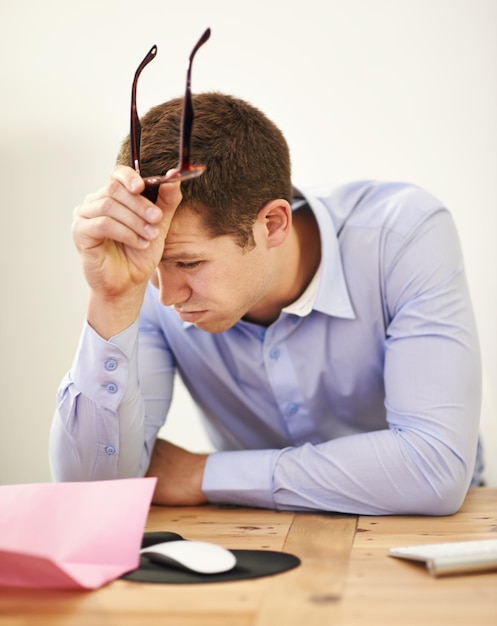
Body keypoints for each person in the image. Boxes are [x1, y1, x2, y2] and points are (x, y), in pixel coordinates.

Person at [50, 92, 483, 515]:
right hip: (256, 533)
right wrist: (112, 298)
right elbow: (92, 498)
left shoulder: (403, 237)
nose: (165, 295)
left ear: (273, 225)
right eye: (156, 268)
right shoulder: (144, 275)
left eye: (188, 262)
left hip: (425, 536)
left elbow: (433, 470)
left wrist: (202, 474)